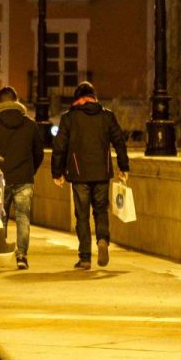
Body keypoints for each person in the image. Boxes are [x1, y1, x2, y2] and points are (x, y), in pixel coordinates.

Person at [51, 81, 129, 269]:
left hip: (79, 175)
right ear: (94, 97)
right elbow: (119, 142)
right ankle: (102, 240)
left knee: (82, 215)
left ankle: (85, 257)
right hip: (102, 173)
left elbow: (59, 147)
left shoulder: (69, 118)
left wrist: (57, 172)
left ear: (76, 98)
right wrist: (123, 167)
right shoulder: (107, 116)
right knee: (101, 210)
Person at [0, 85, 45, 269]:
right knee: (23, 217)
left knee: (0, 216)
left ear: (0, 102)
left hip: (0, 179)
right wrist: (30, 170)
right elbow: (38, 153)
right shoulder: (30, 125)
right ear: (16, 100)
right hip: (24, 178)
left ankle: (1, 254)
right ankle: (22, 255)